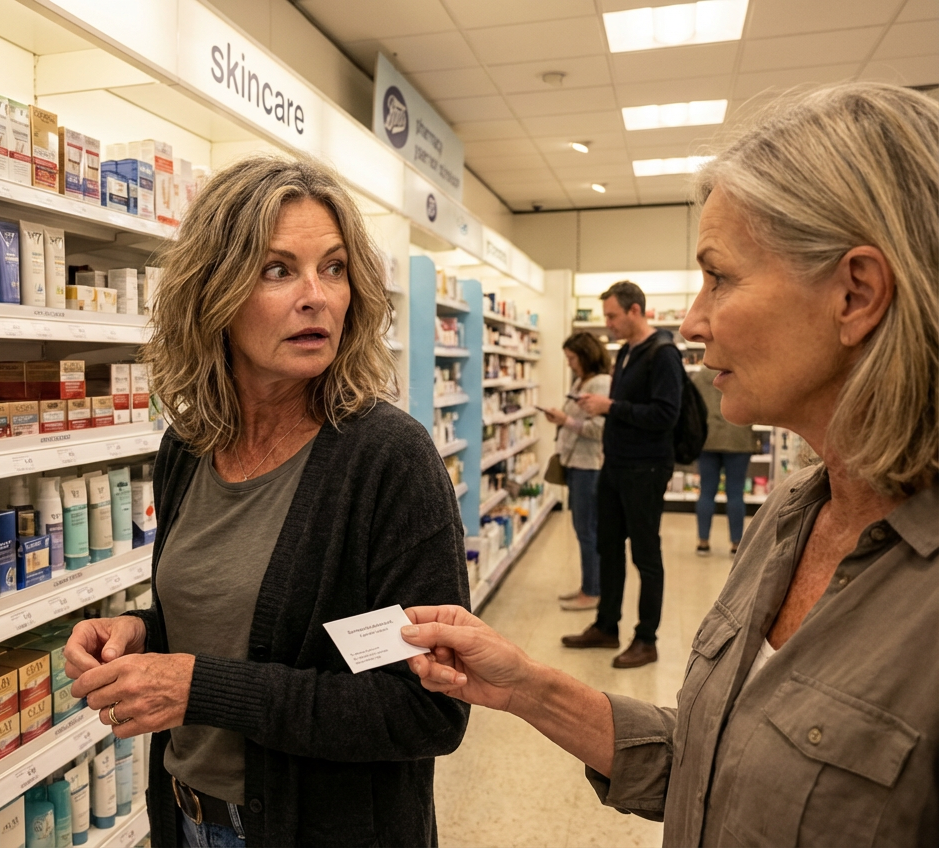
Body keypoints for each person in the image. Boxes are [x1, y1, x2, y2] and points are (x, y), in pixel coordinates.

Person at [398, 83, 939, 845]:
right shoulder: (789, 515)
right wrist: (526, 687)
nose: (694, 318)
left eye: (719, 276)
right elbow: (715, 762)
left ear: (856, 294)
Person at [62, 155, 470, 848]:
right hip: (188, 818)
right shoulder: (189, 448)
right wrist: (145, 634)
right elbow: (237, 626)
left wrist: (199, 687)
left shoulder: (388, 459)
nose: (317, 296)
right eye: (278, 270)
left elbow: (427, 711)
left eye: (334, 268)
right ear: (213, 292)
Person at [564, 280, 684, 668]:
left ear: (635, 311)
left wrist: (611, 406)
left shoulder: (663, 353)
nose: (608, 324)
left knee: (646, 556)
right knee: (608, 547)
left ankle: (646, 639)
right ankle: (606, 626)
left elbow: (666, 415)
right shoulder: (628, 352)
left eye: (613, 316)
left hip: (645, 468)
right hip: (615, 466)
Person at [543, 332, 611, 611]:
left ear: (585, 355)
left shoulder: (601, 384)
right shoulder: (581, 381)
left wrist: (565, 420)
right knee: (583, 528)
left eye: (572, 358)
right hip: (575, 464)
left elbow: (598, 430)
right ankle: (588, 585)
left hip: (589, 466)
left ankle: (593, 592)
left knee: (587, 530)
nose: (570, 364)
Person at [691, 365, 756, 555]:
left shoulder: (700, 377)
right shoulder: (744, 372)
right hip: (738, 438)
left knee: (706, 492)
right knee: (735, 493)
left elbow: (692, 407)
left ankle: (703, 541)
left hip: (707, 439)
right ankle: (736, 544)